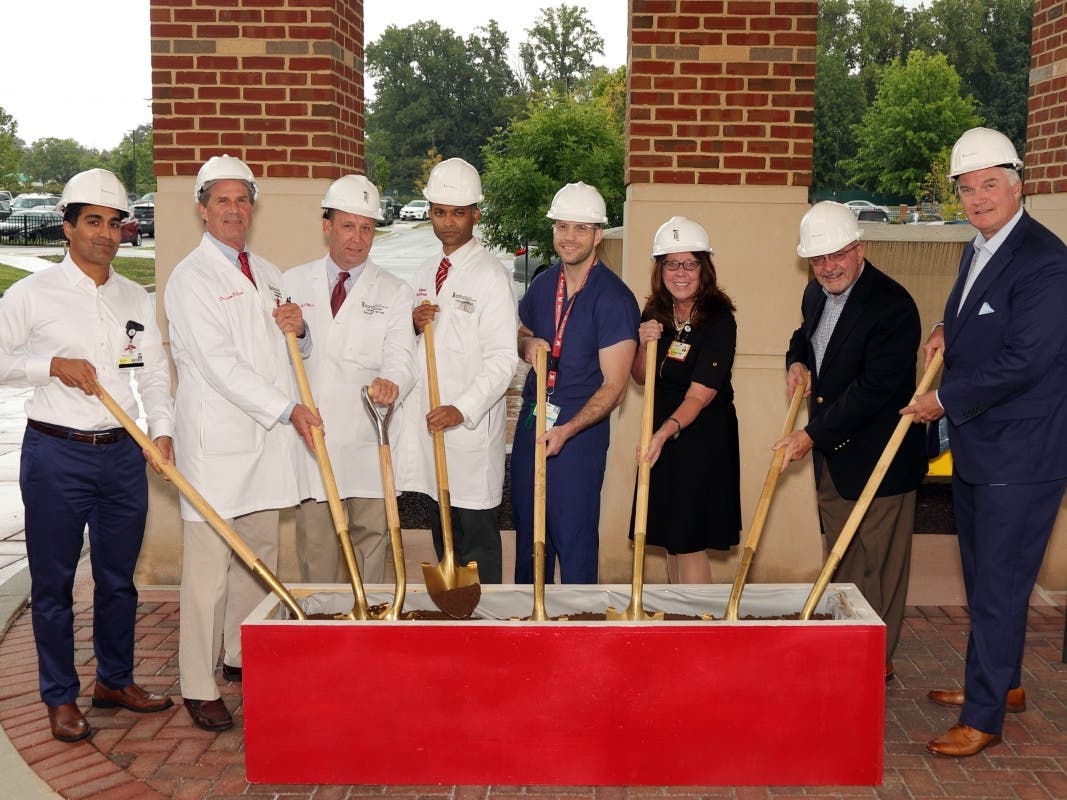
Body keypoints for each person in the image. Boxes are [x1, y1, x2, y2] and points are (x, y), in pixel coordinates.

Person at [902, 127, 1067, 758]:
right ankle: (1004, 683)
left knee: (996, 584)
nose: (977, 198)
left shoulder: (1045, 260)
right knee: (987, 578)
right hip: (984, 446)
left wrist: (941, 400)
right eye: (967, 189)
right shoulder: (981, 245)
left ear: (1017, 182)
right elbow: (980, 313)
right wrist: (948, 325)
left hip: (1020, 454)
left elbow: (1026, 360)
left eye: (988, 185)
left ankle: (984, 715)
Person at [0, 169, 175, 742]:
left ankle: (114, 680)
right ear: (69, 226)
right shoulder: (31, 295)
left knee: (118, 579)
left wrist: (163, 432)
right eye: (93, 221)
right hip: (56, 454)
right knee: (52, 585)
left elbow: (148, 372)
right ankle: (59, 696)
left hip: (122, 455)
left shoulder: (133, 296)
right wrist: (49, 366)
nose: (105, 233)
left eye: (114, 223)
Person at [165, 154, 321, 732]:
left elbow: (291, 354)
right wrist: (288, 410)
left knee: (257, 561)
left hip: (264, 444)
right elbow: (219, 366)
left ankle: (237, 656)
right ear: (203, 210)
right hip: (218, 448)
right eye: (222, 200)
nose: (235, 210)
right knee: (207, 570)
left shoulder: (270, 271)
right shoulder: (191, 279)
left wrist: (300, 332)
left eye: (243, 199)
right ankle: (198, 683)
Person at [775, 200, 926, 681]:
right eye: (818, 259)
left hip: (881, 461)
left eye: (837, 255)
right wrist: (795, 361)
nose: (828, 267)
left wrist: (808, 435)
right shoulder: (815, 294)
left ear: (860, 248)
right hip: (834, 463)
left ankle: (870, 668)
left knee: (880, 570)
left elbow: (874, 390)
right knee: (842, 561)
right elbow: (804, 337)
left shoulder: (893, 306)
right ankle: (841, 653)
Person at [284, 175, 416, 583]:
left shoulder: (395, 291)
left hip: (367, 442)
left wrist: (392, 382)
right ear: (327, 226)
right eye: (347, 225)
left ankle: (369, 639)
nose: (358, 238)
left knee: (372, 554)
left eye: (367, 227)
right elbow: (279, 360)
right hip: (315, 442)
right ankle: (323, 639)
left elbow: (403, 360)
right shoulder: (290, 283)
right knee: (319, 556)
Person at [394, 158, 517, 584]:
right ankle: (454, 628)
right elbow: (407, 348)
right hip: (432, 433)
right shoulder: (424, 273)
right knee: (443, 540)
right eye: (440, 212)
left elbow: (503, 359)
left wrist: (461, 409)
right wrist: (411, 323)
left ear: (476, 215)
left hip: (466, 433)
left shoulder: (491, 277)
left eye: (458, 213)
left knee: (476, 544)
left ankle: (489, 634)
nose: (448, 222)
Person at [511, 182, 639, 583]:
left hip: (578, 438)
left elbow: (615, 386)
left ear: (598, 235)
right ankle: (531, 631)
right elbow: (522, 335)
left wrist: (567, 430)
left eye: (581, 228)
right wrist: (528, 343)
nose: (569, 237)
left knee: (574, 539)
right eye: (562, 226)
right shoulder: (543, 284)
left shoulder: (614, 299)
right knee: (530, 541)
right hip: (534, 425)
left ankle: (579, 633)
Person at [630, 217, 741, 583]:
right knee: (670, 540)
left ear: (703, 268)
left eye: (690, 263)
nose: (680, 272)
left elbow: (699, 395)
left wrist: (661, 435)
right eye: (671, 263)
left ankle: (699, 629)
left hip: (701, 437)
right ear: (660, 269)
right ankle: (678, 620)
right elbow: (642, 377)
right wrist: (646, 344)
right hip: (662, 431)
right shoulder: (656, 312)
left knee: (690, 539)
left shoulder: (719, 319)